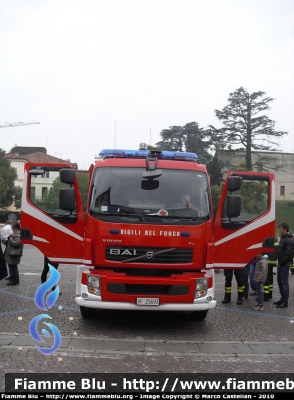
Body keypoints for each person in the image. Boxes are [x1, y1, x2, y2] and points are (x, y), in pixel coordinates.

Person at [274, 222, 294, 308]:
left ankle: (285, 301)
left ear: (285, 229)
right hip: (280, 262)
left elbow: (288, 254)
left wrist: (281, 263)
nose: (279, 230)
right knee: (279, 281)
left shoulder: (289, 240)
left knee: (284, 282)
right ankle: (282, 298)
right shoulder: (282, 238)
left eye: (280, 228)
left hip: (284, 264)